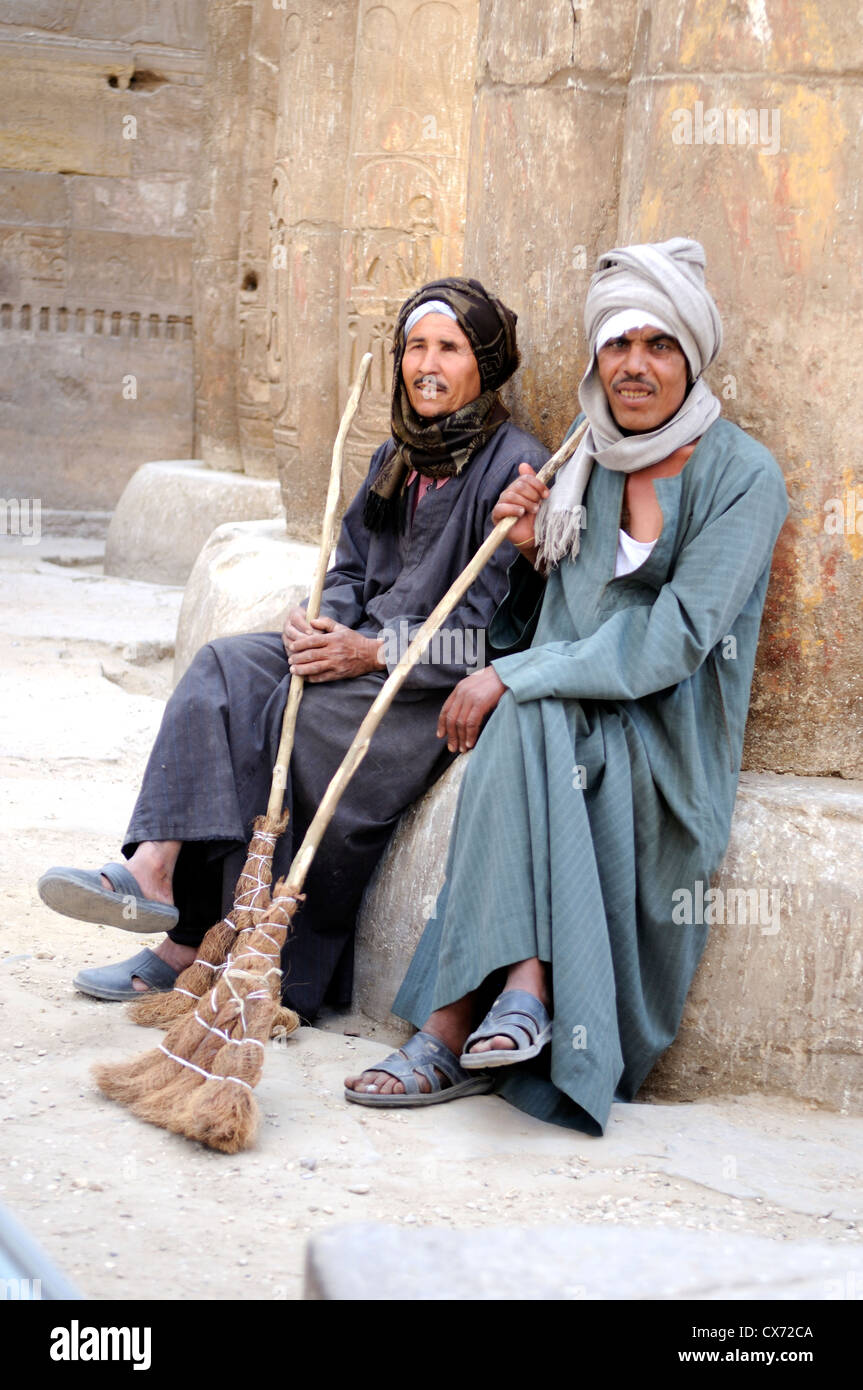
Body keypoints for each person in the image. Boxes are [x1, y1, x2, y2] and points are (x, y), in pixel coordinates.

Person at [345, 238, 789, 1132]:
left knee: (521, 713)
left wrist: (518, 673)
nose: (635, 365)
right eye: (617, 345)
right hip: (563, 715)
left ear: (691, 357)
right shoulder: (578, 463)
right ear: (596, 356)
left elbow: (675, 640)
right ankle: (520, 992)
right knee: (527, 719)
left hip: (664, 740)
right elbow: (538, 626)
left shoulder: (744, 476)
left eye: (658, 345)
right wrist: (521, 557)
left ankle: (451, 1026)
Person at [38, 277, 549, 1021]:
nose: (425, 364)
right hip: (355, 652)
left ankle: (249, 960)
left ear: (486, 364)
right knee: (226, 669)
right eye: (414, 346)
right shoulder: (393, 456)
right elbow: (346, 571)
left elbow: (488, 635)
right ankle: (152, 873)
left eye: (448, 347)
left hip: (420, 689)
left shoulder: (515, 469)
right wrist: (318, 627)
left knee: (290, 718)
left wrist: (371, 653)